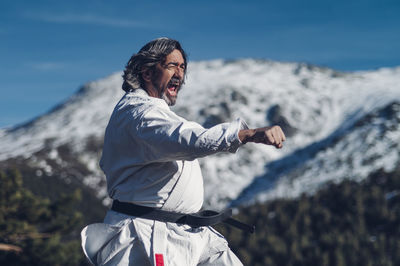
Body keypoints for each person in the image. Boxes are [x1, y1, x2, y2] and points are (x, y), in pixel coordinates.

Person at [81, 37, 286, 266]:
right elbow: (186, 139)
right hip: (146, 238)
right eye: (171, 65)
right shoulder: (139, 114)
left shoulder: (152, 112)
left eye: (182, 67)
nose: (180, 73)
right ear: (146, 73)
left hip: (188, 234)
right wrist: (245, 134)